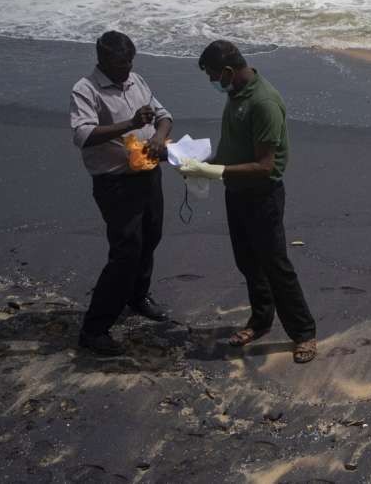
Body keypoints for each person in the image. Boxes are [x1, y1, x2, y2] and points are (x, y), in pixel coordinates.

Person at [179, 40, 317, 363]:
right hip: (236, 191)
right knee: (247, 261)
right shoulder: (236, 94)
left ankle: (304, 332)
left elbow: (265, 166)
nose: (212, 81)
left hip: (262, 195)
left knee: (275, 265)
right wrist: (203, 163)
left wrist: (213, 171)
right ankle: (260, 320)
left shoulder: (263, 102)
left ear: (228, 71)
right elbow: (234, 146)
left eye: (213, 75)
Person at [69, 31, 173, 355]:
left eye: (130, 62)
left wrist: (158, 137)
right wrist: (129, 124)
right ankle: (95, 328)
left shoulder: (136, 80)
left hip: (148, 173)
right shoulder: (85, 89)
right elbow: (83, 135)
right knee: (126, 251)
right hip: (115, 181)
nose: (126, 69)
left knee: (151, 237)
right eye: (119, 64)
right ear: (102, 60)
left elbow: (164, 116)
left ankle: (137, 296)